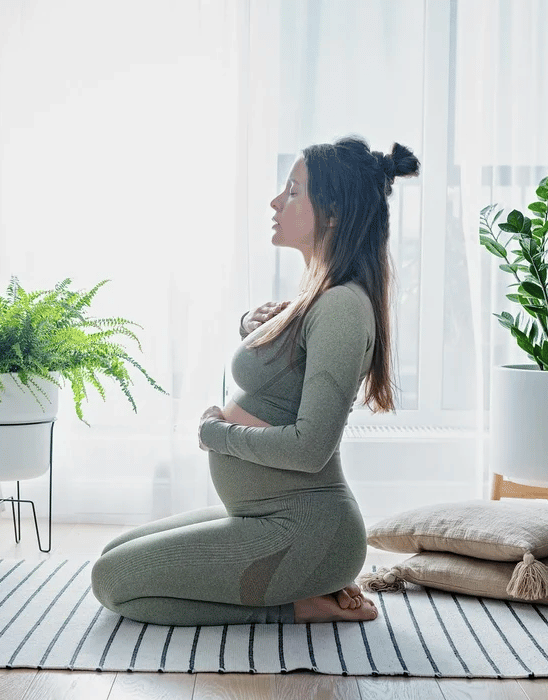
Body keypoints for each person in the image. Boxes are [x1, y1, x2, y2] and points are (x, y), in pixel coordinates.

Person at [90, 136, 419, 625]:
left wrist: (218, 435)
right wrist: (252, 324)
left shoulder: (343, 309)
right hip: (265, 515)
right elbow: (284, 372)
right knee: (115, 550)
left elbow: (311, 448)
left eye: (292, 190)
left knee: (111, 581)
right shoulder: (320, 298)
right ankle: (297, 586)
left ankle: (295, 604)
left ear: (331, 214)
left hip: (303, 529)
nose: (275, 201)